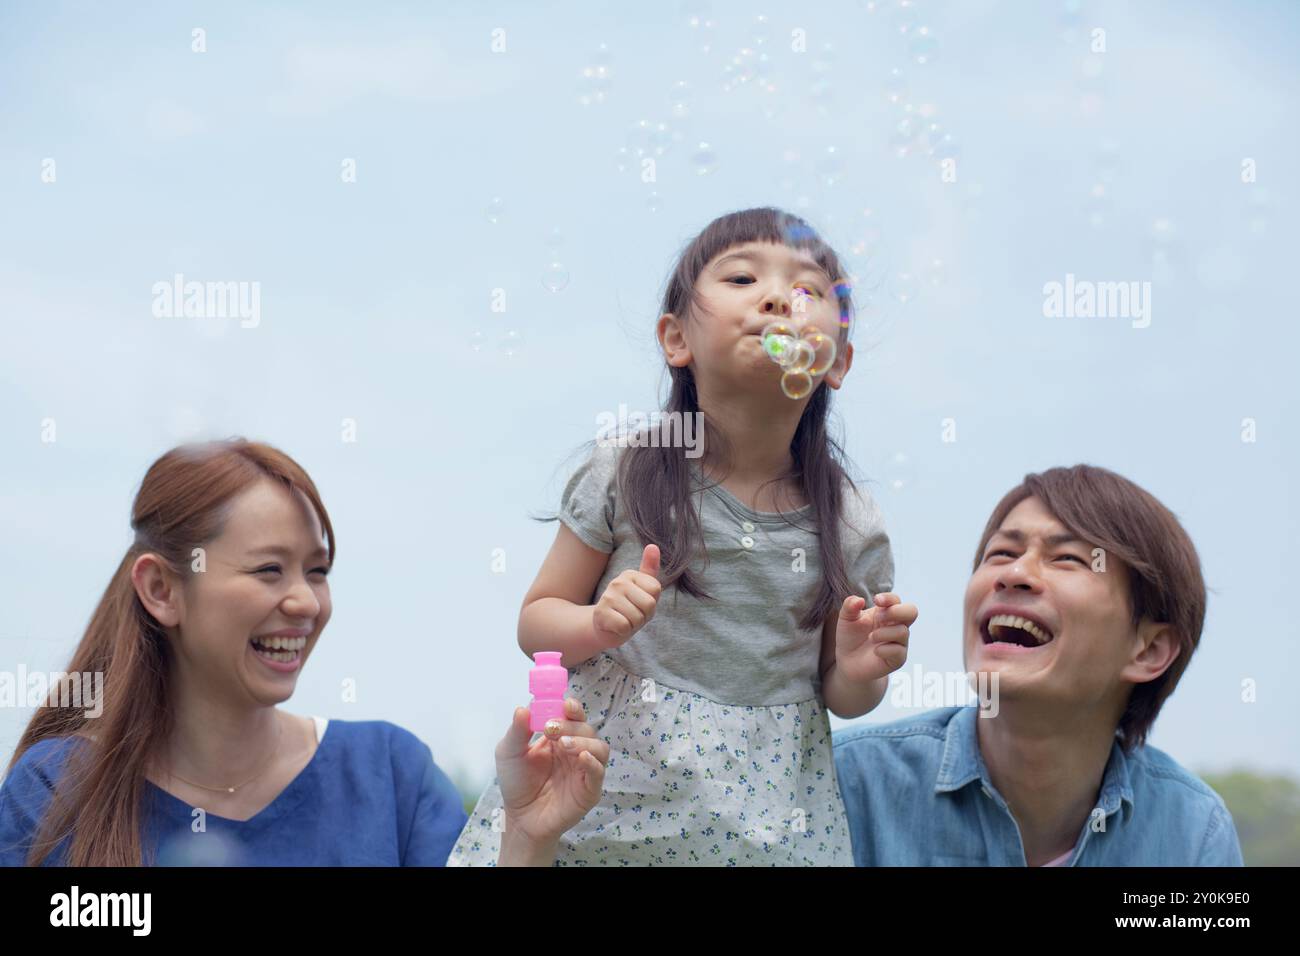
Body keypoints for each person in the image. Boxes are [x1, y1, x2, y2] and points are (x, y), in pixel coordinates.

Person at [450, 207, 916, 866]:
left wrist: (864, 671)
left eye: (808, 290)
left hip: (765, 833)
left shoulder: (851, 524)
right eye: (743, 277)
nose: (780, 297)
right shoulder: (623, 470)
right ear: (676, 340)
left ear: (837, 360)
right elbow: (536, 622)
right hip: (600, 813)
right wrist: (596, 625)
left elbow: (838, 692)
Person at [0, 439, 607, 866]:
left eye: (317, 572)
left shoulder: (392, 777)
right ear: (161, 590)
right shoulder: (53, 792)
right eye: (269, 570)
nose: (305, 603)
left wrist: (525, 839)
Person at [833, 465, 1244, 866]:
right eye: (1001, 553)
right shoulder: (847, 782)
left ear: (1149, 650)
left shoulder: (1194, 835)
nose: (1014, 574)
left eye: (1067, 558)